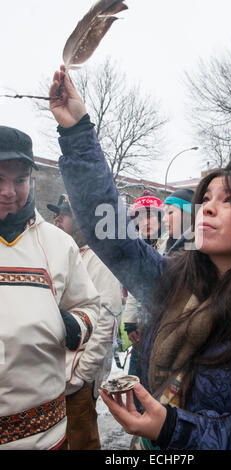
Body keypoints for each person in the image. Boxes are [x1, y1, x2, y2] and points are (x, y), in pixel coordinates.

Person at [50, 67, 231, 450]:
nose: (208, 209)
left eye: (228, 201)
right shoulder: (170, 281)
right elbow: (110, 233)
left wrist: (173, 428)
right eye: (206, 199)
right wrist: (77, 132)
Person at [0, 125, 99, 450]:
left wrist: (69, 326)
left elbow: (91, 307)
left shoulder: (58, 244)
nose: (9, 191)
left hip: (42, 436)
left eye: (19, 180)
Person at [47, 194, 122, 450]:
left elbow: (105, 321)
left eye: (64, 214)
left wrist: (82, 376)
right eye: (56, 214)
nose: (56, 219)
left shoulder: (100, 259)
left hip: (76, 378)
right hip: (54, 374)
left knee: (82, 442)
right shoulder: (65, 252)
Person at [123, 191, 164, 409]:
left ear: (160, 219)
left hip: (164, 333)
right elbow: (133, 289)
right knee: (137, 389)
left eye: (150, 216)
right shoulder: (136, 249)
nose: (145, 222)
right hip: (142, 333)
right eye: (140, 217)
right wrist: (130, 322)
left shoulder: (170, 247)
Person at [162, 188, 194, 254]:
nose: (163, 219)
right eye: (164, 213)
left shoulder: (196, 254)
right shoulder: (164, 245)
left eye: (170, 212)